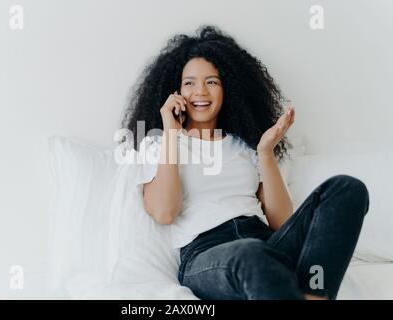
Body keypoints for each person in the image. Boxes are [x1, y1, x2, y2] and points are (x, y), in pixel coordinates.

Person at [121, 25, 369, 300]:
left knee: (346, 189)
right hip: (207, 255)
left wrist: (265, 153)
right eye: (189, 83)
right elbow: (164, 212)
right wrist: (170, 131)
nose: (200, 91)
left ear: (228, 89)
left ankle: (314, 296)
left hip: (265, 242)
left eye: (212, 82)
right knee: (251, 254)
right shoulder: (160, 143)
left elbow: (282, 222)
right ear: (175, 91)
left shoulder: (245, 146)